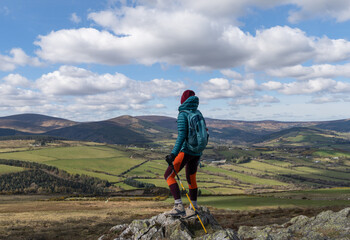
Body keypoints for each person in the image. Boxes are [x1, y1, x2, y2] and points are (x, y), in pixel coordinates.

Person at [164, 89, 205, 218]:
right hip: (197, 151)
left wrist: (173, 154)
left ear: (183, 100)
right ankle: (193, 207)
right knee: (191, 177)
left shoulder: (183, 114)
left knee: (168, 175)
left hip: (186, 151)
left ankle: (179, 206)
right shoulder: (197, 112)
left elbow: (182, 135)